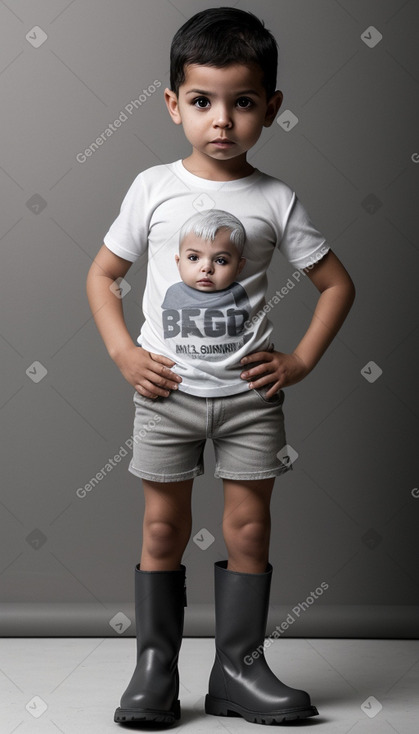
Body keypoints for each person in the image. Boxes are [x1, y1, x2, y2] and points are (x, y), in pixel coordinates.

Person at [86, 6, 355, 727]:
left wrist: (297, 360)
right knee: (161, 529)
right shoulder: (151, 188)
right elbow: (100, 277)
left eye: (242, 103)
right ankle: (155, 671)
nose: (222, 121)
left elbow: (337, 284)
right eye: (202, 101)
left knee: (248, 528)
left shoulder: (274, 199)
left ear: (271, 108)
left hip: (247, 400)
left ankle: (238, 668)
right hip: (166, 396)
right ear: (173, 104)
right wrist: (123, 353)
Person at [163, 209, 251, 362]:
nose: (206, 268)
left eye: (221, 260)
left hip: (242, 379)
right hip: (170, 378)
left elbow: (247, 329)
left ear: (239, 267)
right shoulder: (174, 292)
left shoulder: (237, 293)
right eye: (193, 257)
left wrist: (299, 361)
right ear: (178, 263)